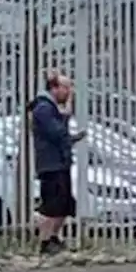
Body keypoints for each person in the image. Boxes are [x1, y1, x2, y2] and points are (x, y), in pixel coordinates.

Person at [29, 71, 85, 255]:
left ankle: (54, 238)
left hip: (60, 162)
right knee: (52, 205)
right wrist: (67, 113)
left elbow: (61, 135)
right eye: (66, 88)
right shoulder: (43, 108)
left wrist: (72, 138)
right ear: (54, 88)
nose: (69, 92)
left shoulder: (51, 108)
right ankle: (45, 242)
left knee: (64, 203)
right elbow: (56, 133)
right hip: (50, 164)